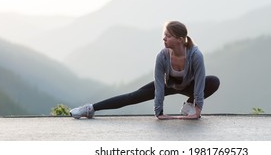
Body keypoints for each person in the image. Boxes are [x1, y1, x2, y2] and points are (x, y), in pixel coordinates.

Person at [69, 20, 220, 120]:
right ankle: (89, 108)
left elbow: (200, 84)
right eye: (164, 35)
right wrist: (159, 112)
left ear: (180, 39)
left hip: (190, 86)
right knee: (132, 96)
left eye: (168, 36)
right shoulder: (162, 56)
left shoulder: (195, 55)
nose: (164, 39)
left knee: (213, 81)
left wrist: (197, 110)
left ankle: (188, 106)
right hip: (168, 84)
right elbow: (159, 86)